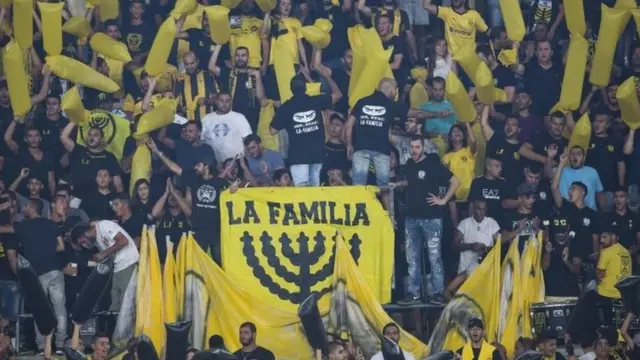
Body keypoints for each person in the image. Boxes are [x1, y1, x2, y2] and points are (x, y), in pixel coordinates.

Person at [146, 138, 239, 264]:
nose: (195, 167)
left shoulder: (219, 183)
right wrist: (157, 151)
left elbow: (232, 199)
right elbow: (174, 167)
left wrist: (233, 190)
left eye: (198, 165)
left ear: (206, 166)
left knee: (219, 264)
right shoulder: (193, 179)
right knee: (197, 265)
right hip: (197, 231)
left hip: (216, 231)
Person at [394, 137, 460, 305]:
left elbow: (455, 181)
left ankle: (437, 293)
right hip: (411, 219)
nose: (414, 150)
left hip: (432, 218)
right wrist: (398, 184)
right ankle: (414, 294)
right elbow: (414, 180)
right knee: (412, 258)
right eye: (411, 147)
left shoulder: (433, 164)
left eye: (417, 147)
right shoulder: (409, 164)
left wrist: (443, 200)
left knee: (434, 257)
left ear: (423, 147)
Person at [13, 199, 66, 353]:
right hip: (55, 270)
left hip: (38, 273)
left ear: (31, 208)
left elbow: (7, 230)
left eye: (26, 206)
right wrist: (47, 251)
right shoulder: (51, 224)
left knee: (40, 309)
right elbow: (61, 247)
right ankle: (61, 344)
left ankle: (42, 345)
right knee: (59, 307)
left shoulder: (22, 226)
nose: (24, 208)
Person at [269, 74, 341, 187]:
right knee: (316, 193)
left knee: (302, 193)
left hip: (298, 157)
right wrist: (328, 77)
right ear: (306, 88)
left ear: (291, 90)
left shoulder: (286, 107)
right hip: (318, 154)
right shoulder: (316, 101)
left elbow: (272, 131)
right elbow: (338, 95)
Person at [71, 220, 139, 312]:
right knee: (115, 302)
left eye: (83, 242)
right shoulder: (96, 241)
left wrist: (103, 253)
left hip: (128, 262)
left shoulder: (103, 226)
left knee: (126, 301)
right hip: (118, 267)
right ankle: (116, 324)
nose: (84, 245)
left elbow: (123, 241)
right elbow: (111, 253)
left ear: (84, 234)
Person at [447, 199, 500, 298]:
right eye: (479, 209)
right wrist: (471, 246)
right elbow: (454, 245)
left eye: (483, 209)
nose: (481, 212)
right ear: (473, 209)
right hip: (466, 271)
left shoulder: (491, 223)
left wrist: (485, 249)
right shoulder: (464, 223)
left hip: (486, 272)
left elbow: (498, 246)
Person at [200, 92, 253, 164]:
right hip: (214, 164)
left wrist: (247, 161)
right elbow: (202, 141)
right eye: (221, 101)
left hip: (236, 163)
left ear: (231, 102)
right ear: (216, 101)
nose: (224, 104)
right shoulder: (206, 119)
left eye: (227, 101)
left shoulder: (239, 117)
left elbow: (248, 141)